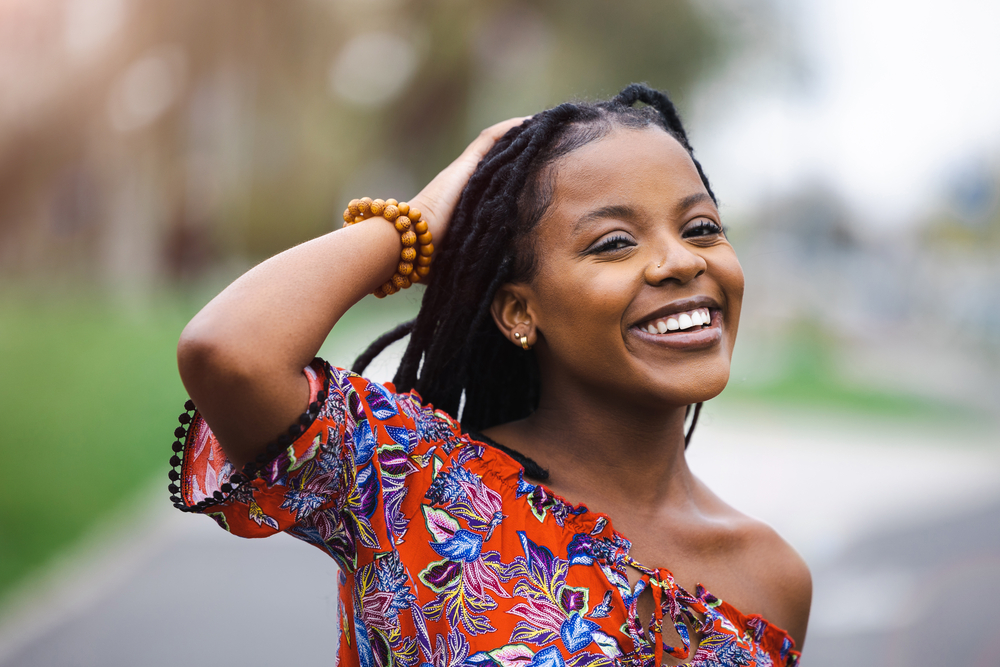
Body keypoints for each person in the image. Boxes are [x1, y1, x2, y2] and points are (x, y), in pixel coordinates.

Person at [169, 84, 811, 667]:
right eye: (614, 242)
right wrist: (417, 221)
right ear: (519, 312)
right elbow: (229, 353)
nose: (679, 261)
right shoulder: (413, 485)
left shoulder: (772, 577)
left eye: (701, 228)